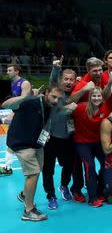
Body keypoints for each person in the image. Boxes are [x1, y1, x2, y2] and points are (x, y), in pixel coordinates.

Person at [3, 85, 63, 221]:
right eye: (54, 97)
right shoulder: (31, 101)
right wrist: (25, 97)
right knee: (33, 173)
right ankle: (28, 210)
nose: (55, 100)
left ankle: (25, 194)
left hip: (36, 143)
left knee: (38, 169)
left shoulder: (50, 106)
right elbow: (6, 104)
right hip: (22, 143)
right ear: (46, 93)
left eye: (59, 98)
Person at [42, 59, 84, 209]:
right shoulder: (57, 93)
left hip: (68, 138)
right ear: (61, 80)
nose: (68, 82)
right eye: (65, 79)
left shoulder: (74, 93)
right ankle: (51, 195)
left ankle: (64, 186)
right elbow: (53, 81)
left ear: (74, 81)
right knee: (48, 169)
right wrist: (55, 68)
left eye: (71, 80)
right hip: (50, 138)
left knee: (68, 166)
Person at [71, 87, 111, 207]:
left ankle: (100, 191)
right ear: (89, 97)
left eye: (99, 96)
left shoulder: (105, 109)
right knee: (90, 167)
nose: (97, 98)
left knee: (107, 164)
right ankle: (92, 198)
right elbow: (64, 110)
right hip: (82, 143)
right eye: (94, 96)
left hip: (97, 142)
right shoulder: (80, 108)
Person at [0, 64, 31, 175]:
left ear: (17, 71)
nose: (7, 72)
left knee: (16, 141)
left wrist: (12, 114)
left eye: (10, 70)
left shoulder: (24, 83)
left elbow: (24, 101)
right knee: (12, 141)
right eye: (7, 70)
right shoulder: (12, 84)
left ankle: (8, 168)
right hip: (19, 115)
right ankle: (7, 167)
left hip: (26, 117)